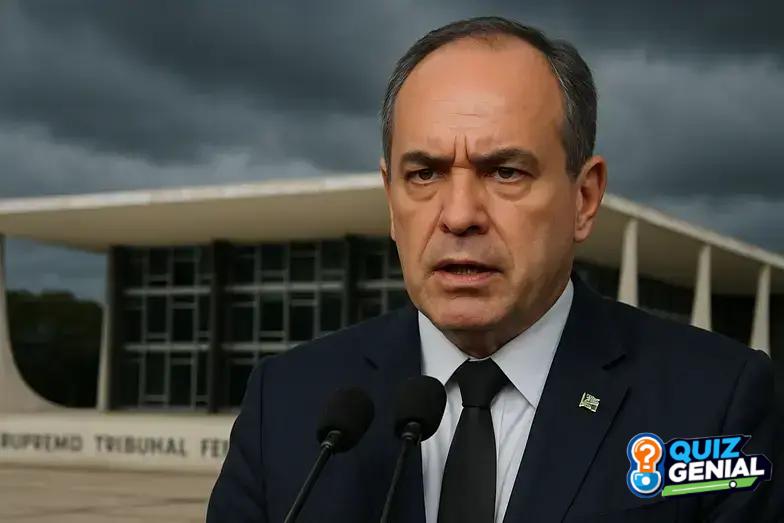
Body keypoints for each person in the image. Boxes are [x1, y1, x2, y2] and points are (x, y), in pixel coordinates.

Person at [207, 16, 777, 522]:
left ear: (584, 199)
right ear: (390, 200)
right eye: (424, 174)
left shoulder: (717, 404)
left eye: (505, 172)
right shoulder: (287, 402)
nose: (459, 216)